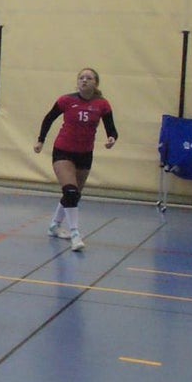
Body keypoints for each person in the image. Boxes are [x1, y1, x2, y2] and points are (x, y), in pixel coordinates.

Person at [33, 68, 118, 252]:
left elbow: (111, 128)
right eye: (81, 78)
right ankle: (75, 234)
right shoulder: (66, 100)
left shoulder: (102, 104)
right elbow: (48, 118)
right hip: (63, 151)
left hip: (85, 154)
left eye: (89, 78)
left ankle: (54, 226)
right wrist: (40, 140)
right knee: (70, 191)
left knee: (74, 195)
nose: (84, 80)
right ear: (77, 82)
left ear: (96, 83)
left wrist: (111, 139)